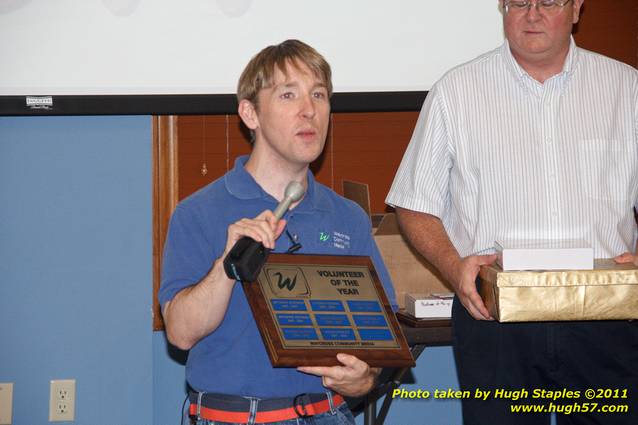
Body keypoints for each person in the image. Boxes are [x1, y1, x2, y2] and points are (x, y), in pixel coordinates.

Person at [386, 1, 637, 424]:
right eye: (519, 1)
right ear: (502, 8)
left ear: (576, 8)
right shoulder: (457, 91)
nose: (532, 13)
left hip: (606, 317)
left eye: (549, 1)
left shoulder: (626, 89)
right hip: (495, 320)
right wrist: (454, 267)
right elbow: (414, 203)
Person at [159, 39, 397, 425]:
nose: (310, 111)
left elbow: (376, 343)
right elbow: (181, 334)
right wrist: (226, 265)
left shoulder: (347, 218)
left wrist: (363, 378)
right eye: (289, 95)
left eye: (319, 95)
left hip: (327, 415)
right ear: (250, 114)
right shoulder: (197, 212)